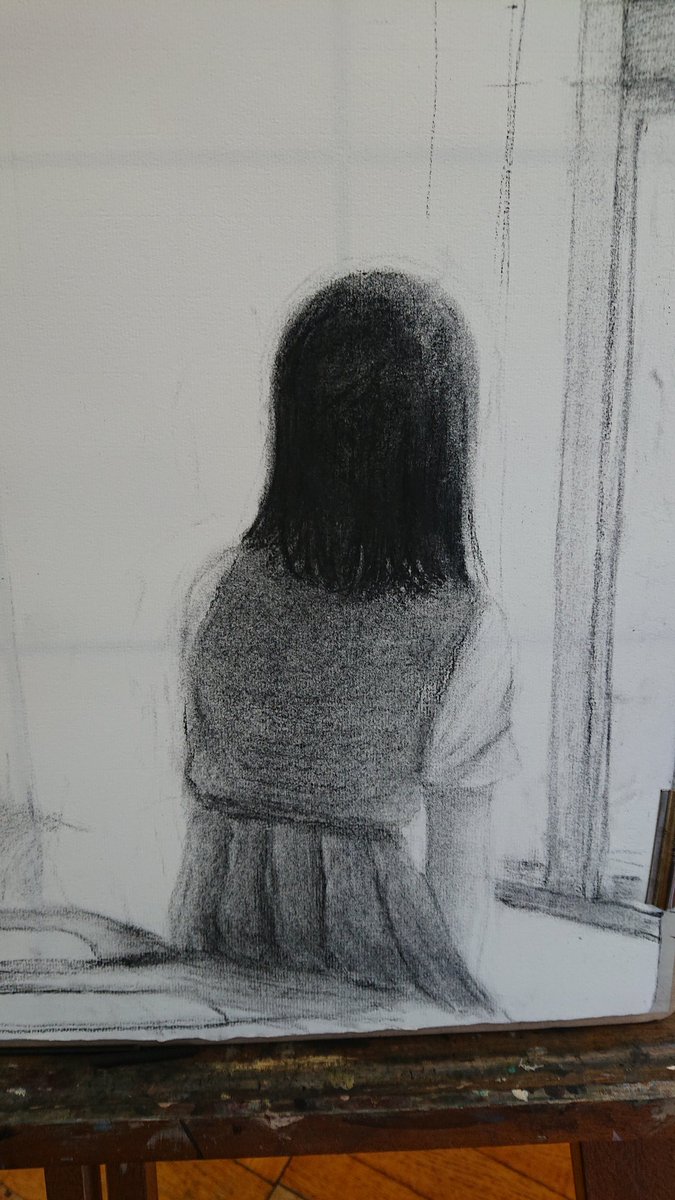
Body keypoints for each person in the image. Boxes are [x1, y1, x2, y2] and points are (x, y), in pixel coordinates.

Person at [170, 269, 517, 1016]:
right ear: (439, 448)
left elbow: (205, 807)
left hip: (217, 958)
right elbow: (459, 878)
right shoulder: (467, 629)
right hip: (375, 976)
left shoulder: (217, 590)